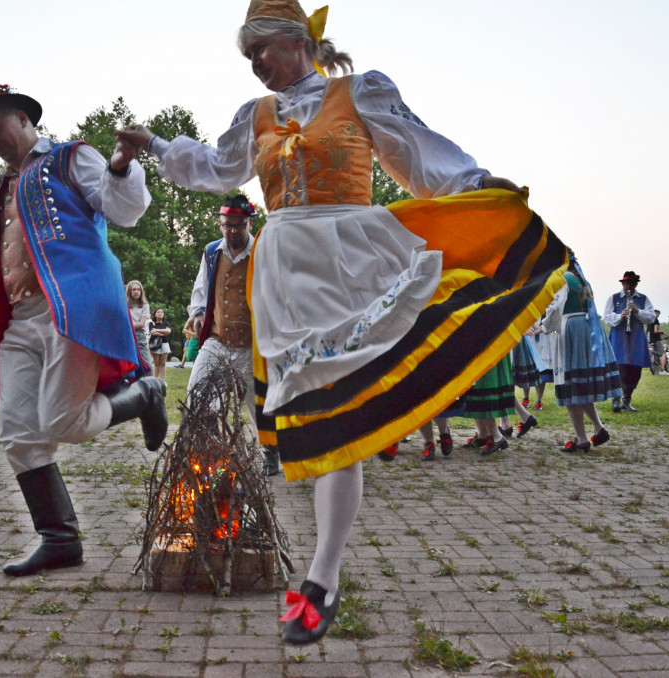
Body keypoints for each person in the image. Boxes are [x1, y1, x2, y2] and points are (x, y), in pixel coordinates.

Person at [118, 0, 568, 645]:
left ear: (295, 40)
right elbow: (215, 169)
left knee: (347, 410)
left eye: (260, 53)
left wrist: (476, 182)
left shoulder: (362, 93)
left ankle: (322, 574)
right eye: (246, 60)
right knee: (322, 412)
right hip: (286, 272)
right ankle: (324, 577)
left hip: (354, 258)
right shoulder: (257, 116)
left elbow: (419, 154)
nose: (255, 69)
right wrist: (155, 145)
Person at [0, 85, 167, 578]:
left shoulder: (70, 158)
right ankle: (60, 540)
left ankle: (145, 394)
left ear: (23, 118)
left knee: (62, 423)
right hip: (20, 319)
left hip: (71, 308)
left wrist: (119, 167)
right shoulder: (6, 185)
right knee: (17, 433)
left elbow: (125, 210)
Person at [186, 195, 280, 476]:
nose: (232, 231)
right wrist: (198, 313)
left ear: (250, 223)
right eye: (227, 225)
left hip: (253, 346)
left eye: (239, 225)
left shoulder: (263, 252)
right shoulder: (212, 252)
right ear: (220, 224)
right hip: (217, 341)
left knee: (260, 405)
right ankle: (212, 449)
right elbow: (200, 292)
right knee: (196, 394)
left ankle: (270, 452)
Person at [542, 256, 620, 452]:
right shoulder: (583, 281)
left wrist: (543, 327)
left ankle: (582, 439)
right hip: (586, 327)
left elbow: (554, 311)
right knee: (580, 384)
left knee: (571, 387)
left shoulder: (562, 279)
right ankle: (598, 427)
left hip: (570, 329)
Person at [602, 271, 655, 412]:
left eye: (631, 284)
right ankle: (616, 400)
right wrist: (620, 315)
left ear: (636, 284)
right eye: (625, 284)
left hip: (636, 338)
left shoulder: (643, 299)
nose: (628, 286)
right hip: (619, 338)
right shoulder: (614, 298)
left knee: (635, 370)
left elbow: (651, 317)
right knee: (619, 369)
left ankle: (627, 399)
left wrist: (637, 311)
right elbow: (607, 317)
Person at [126, 280, 153, 371]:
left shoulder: (145, 305)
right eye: (134, 289)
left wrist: (128, 325)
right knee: (127, 361)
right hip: (126, 335)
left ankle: (150, 383)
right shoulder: (124, 304)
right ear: (129, 291)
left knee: (147, 362)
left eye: (138, 289)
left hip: (139, 334)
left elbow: (141, 324)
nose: (136, 292)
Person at [148, 308, 172, 382]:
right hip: (155, 344)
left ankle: (163, 381)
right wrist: (163, 333)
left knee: (163, 363)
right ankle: (155, 380)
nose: (160, 313)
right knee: (156, 363)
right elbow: (153, 333)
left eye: (161, 312)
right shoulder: (151, 323)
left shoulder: (166, 323)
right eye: (158, 312)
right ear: (155, 314)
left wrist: (157, 330)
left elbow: (168, 331)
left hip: (164, 344)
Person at [648, 310, 669, 375]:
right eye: (658, 314)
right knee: (663, 354)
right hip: (657, 339)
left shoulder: (649, 321)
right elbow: (656, 331)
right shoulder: (656, 320)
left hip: (650, 339)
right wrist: (663, 332)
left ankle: (653, 369)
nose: (658, 315)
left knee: (654, 354)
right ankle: (662, 370)